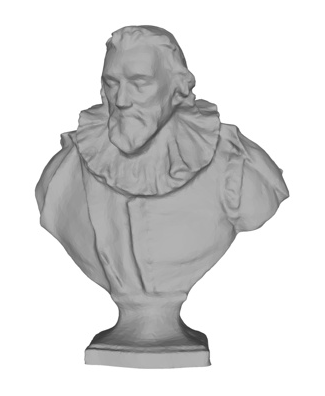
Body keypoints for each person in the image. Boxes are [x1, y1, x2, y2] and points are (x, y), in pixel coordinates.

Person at [35, 25, 289, 367]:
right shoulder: (66, 169)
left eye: (139, 83)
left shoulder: (234, 164)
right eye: (111, 83)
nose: (121, 100)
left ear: (177, 87)